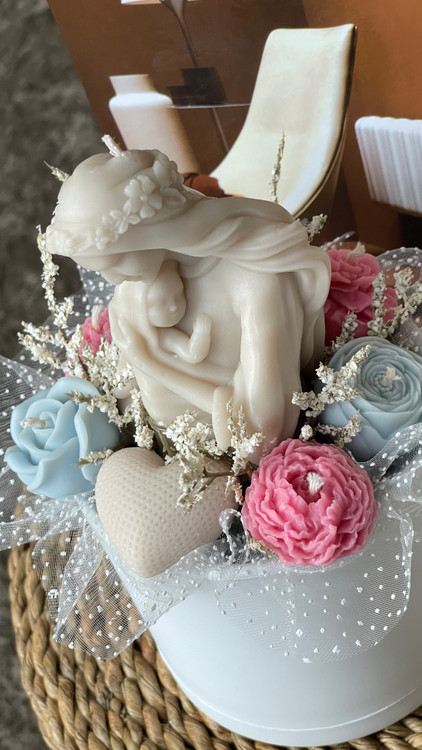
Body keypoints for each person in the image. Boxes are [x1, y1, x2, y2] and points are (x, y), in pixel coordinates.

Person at [46, 145, 331, 456]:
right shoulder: (134, 287)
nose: (112, 280)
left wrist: (152, 363)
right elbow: (125, 401)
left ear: (151, 234)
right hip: (164, 455)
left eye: (114, 262)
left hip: (229, 465)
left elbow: (263, 432)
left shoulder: (254, 281)